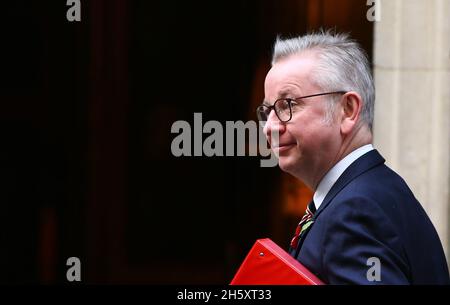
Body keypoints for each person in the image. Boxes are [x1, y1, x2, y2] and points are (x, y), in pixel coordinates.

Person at [256, 30, 450, 284]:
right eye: (268, 110)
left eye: (287, 105)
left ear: (347, 110)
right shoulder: (368, 192)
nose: (270, 127)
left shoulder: (355, 210)